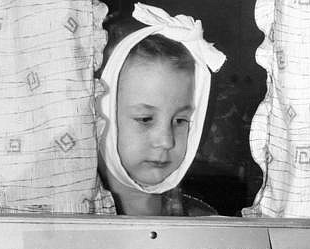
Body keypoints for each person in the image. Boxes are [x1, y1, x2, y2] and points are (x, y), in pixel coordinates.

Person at [97, 3, 226, 216]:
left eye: (180, 120)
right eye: (145, 119)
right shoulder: (69, 222)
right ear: (100, 112)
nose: (166, 141)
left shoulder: (203, 221)